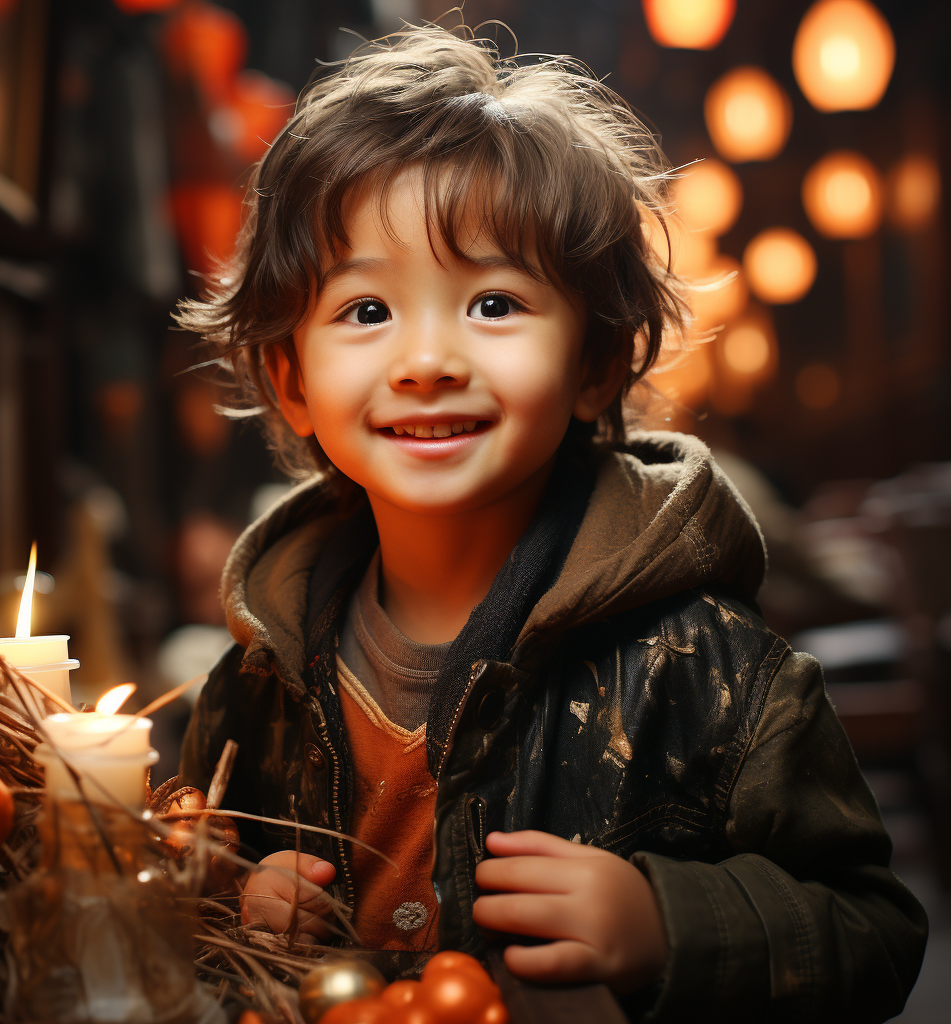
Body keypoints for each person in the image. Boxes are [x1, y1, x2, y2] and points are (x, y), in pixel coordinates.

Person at [175, 24, 927, 1021]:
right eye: (365, 311)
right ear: (290, 378)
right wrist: (236, 908)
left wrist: (666, 922)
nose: (427, 359)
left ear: (594, 365)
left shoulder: (705, 667)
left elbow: (874, 933)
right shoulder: (253, 678)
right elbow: (187, 918)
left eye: (492, 302)